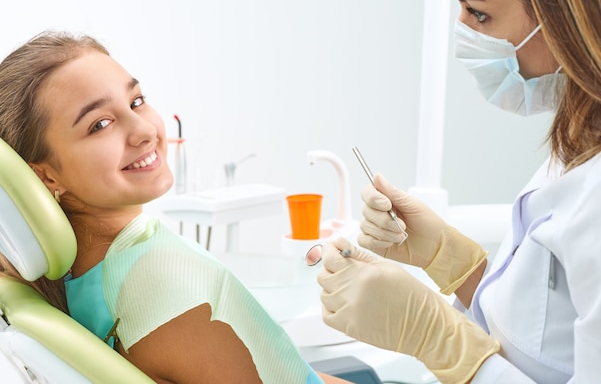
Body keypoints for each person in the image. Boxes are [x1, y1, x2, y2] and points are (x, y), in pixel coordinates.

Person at [316, 0, 601, 383]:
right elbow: (543, 333)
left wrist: (434, 336)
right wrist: (449, 259)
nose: (464, 32)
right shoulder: (586, 137)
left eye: (479, 14)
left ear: (566, 17)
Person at [0, 32, 349, 384]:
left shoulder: (71, 280)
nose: (145, 131)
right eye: (100, 124)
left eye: (136, 102)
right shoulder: (161, 280)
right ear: (44, 177)